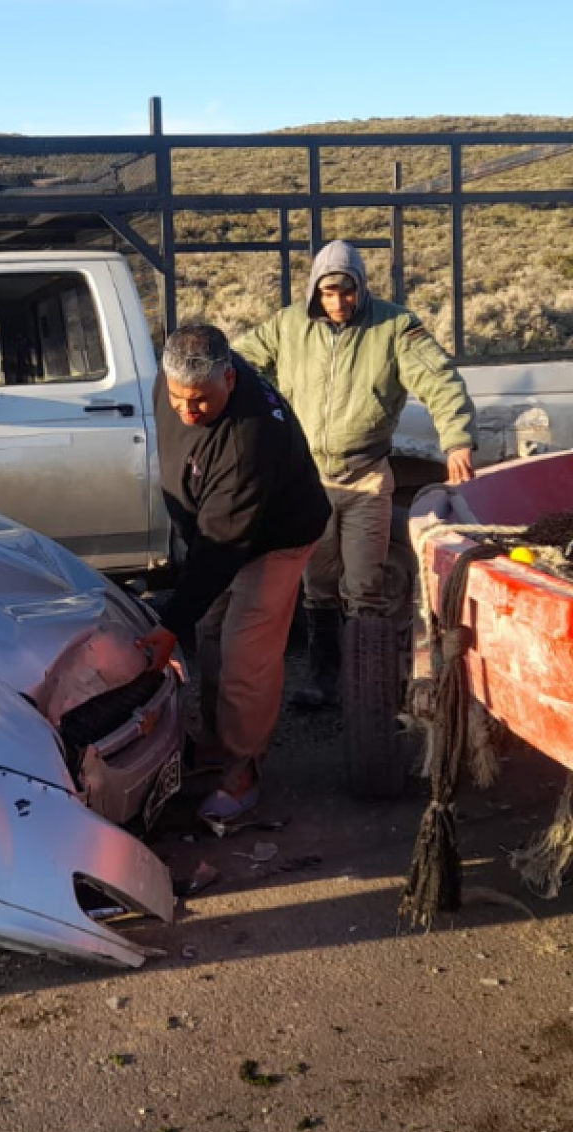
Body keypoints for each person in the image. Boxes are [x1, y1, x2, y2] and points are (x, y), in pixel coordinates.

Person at [234, 240, 478, 708]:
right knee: (318, 586)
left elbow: (440, 380)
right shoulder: (288, 326)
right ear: (314, 293)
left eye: (347, 292)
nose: (339, 302)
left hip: (366, 477)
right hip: (308, 482)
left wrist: (458, 439)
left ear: (361, 288)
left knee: (365, 586)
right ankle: (324, 680)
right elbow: (239, 364)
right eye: (328, 293)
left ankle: (371, 685)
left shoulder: (395, 328)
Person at [138, 324, 330, 824]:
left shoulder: (249, 437)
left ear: (228, 377)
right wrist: (186, 608)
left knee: (247, 653)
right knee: (211, 633)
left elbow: (225, 545)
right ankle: (214, 745)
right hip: (217, 530)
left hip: (277, 537)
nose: (185, 411)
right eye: (178, 398)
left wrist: (169, 624)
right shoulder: (176, 381)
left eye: (199, 401)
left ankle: (243, 769)